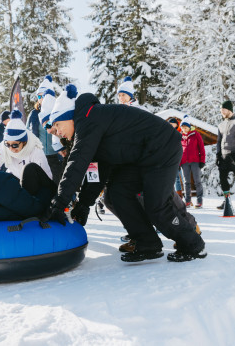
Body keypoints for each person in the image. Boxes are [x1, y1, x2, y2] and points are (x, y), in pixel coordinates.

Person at [45, 84, 206, 262]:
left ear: (69, 116)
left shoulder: (88, 118)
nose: (58, 132)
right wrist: (83, 204)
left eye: (58, 125)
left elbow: (77, 163)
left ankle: (194, 245)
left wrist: (59, 204)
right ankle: (148, 243)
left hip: (162, 148)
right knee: (116, 192)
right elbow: (97, 170)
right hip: (142, 157)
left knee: (156, 205)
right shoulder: (89, 126)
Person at [0, 109, 53, 182]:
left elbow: (46, 177)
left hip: (34, 183)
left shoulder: (35, 150)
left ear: (24, 142)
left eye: (15, 145)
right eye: (7, 144)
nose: (10, 148)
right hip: (16, 179)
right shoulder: (4, 147)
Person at [26, 75, 62, 183]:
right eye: (39, 96)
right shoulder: (34, 114)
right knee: (42, 182)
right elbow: (27, 131)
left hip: (56, 156)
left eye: (44, 95)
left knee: (57, 182)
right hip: (40, 155)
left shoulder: (56, 112)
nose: (42, 99)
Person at [180, 115, 205, 208]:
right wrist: (179, 162)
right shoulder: (180, 136)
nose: (184, 129)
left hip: (195, 161)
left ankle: (199, 201)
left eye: (185, 127)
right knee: (186, 182)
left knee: (197, 181)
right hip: (184, 162)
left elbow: (201, 148)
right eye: (182, 128)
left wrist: (202, 160)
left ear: (189, 127)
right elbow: (178, 150)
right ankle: (187, 201)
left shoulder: (195, 134)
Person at [168, 118, 184, 199]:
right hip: (171, 158)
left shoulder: (180, 133)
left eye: (172, 123)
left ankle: (181, 195)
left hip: (181, 158)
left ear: (176, 124)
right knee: (174, 178)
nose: (171, 124)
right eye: (170, 123)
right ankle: (175, 195)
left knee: (182, 178)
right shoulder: (167, 133)